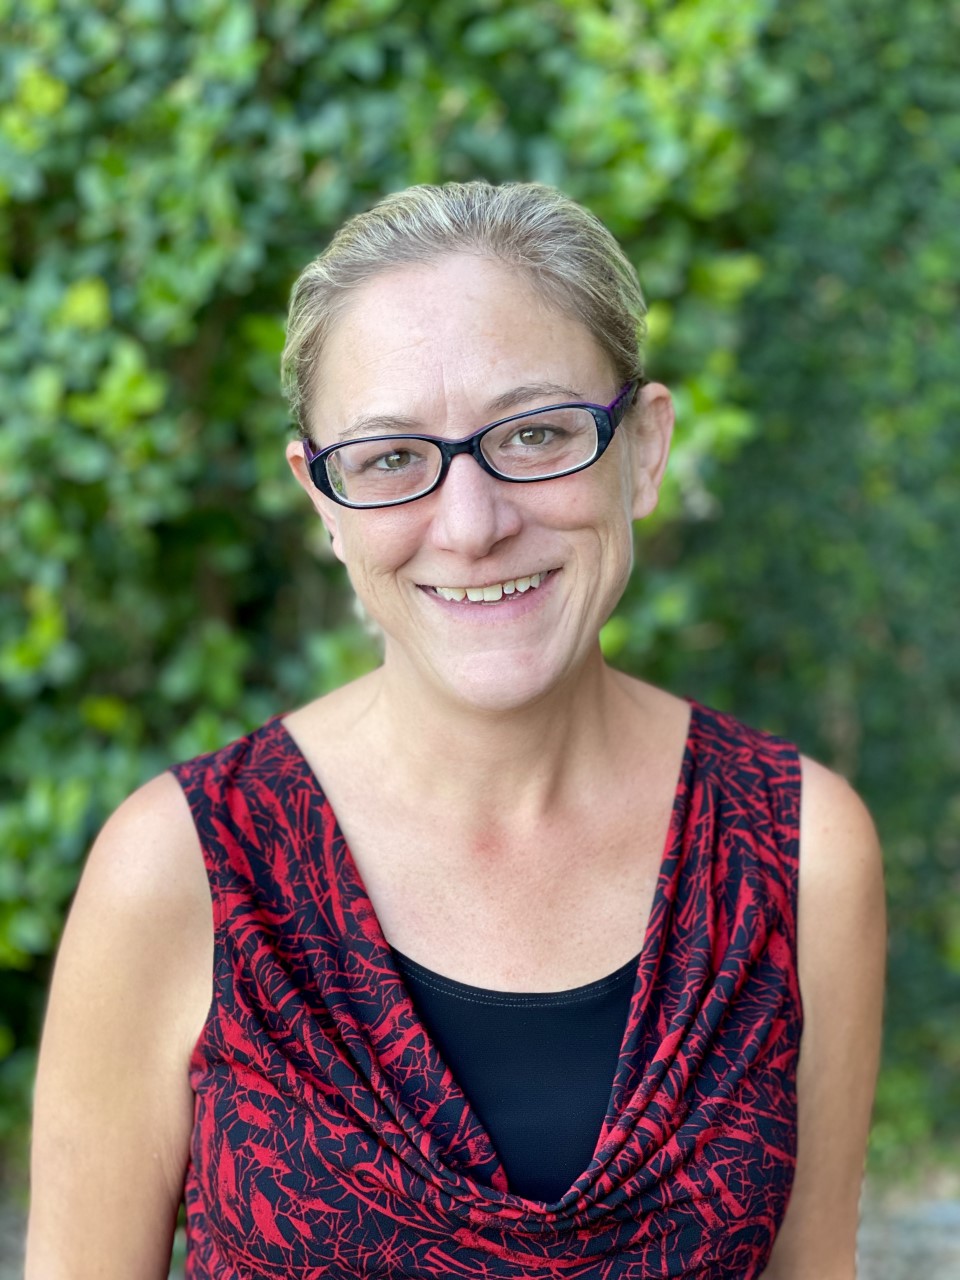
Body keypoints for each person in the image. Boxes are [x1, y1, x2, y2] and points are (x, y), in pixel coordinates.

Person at [25, 181, 885, 1279]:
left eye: (534, 433)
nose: (472, 523)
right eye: (390, 459)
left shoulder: (800, 851)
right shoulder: (181, 869)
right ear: (323, 501)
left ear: (645, 447)